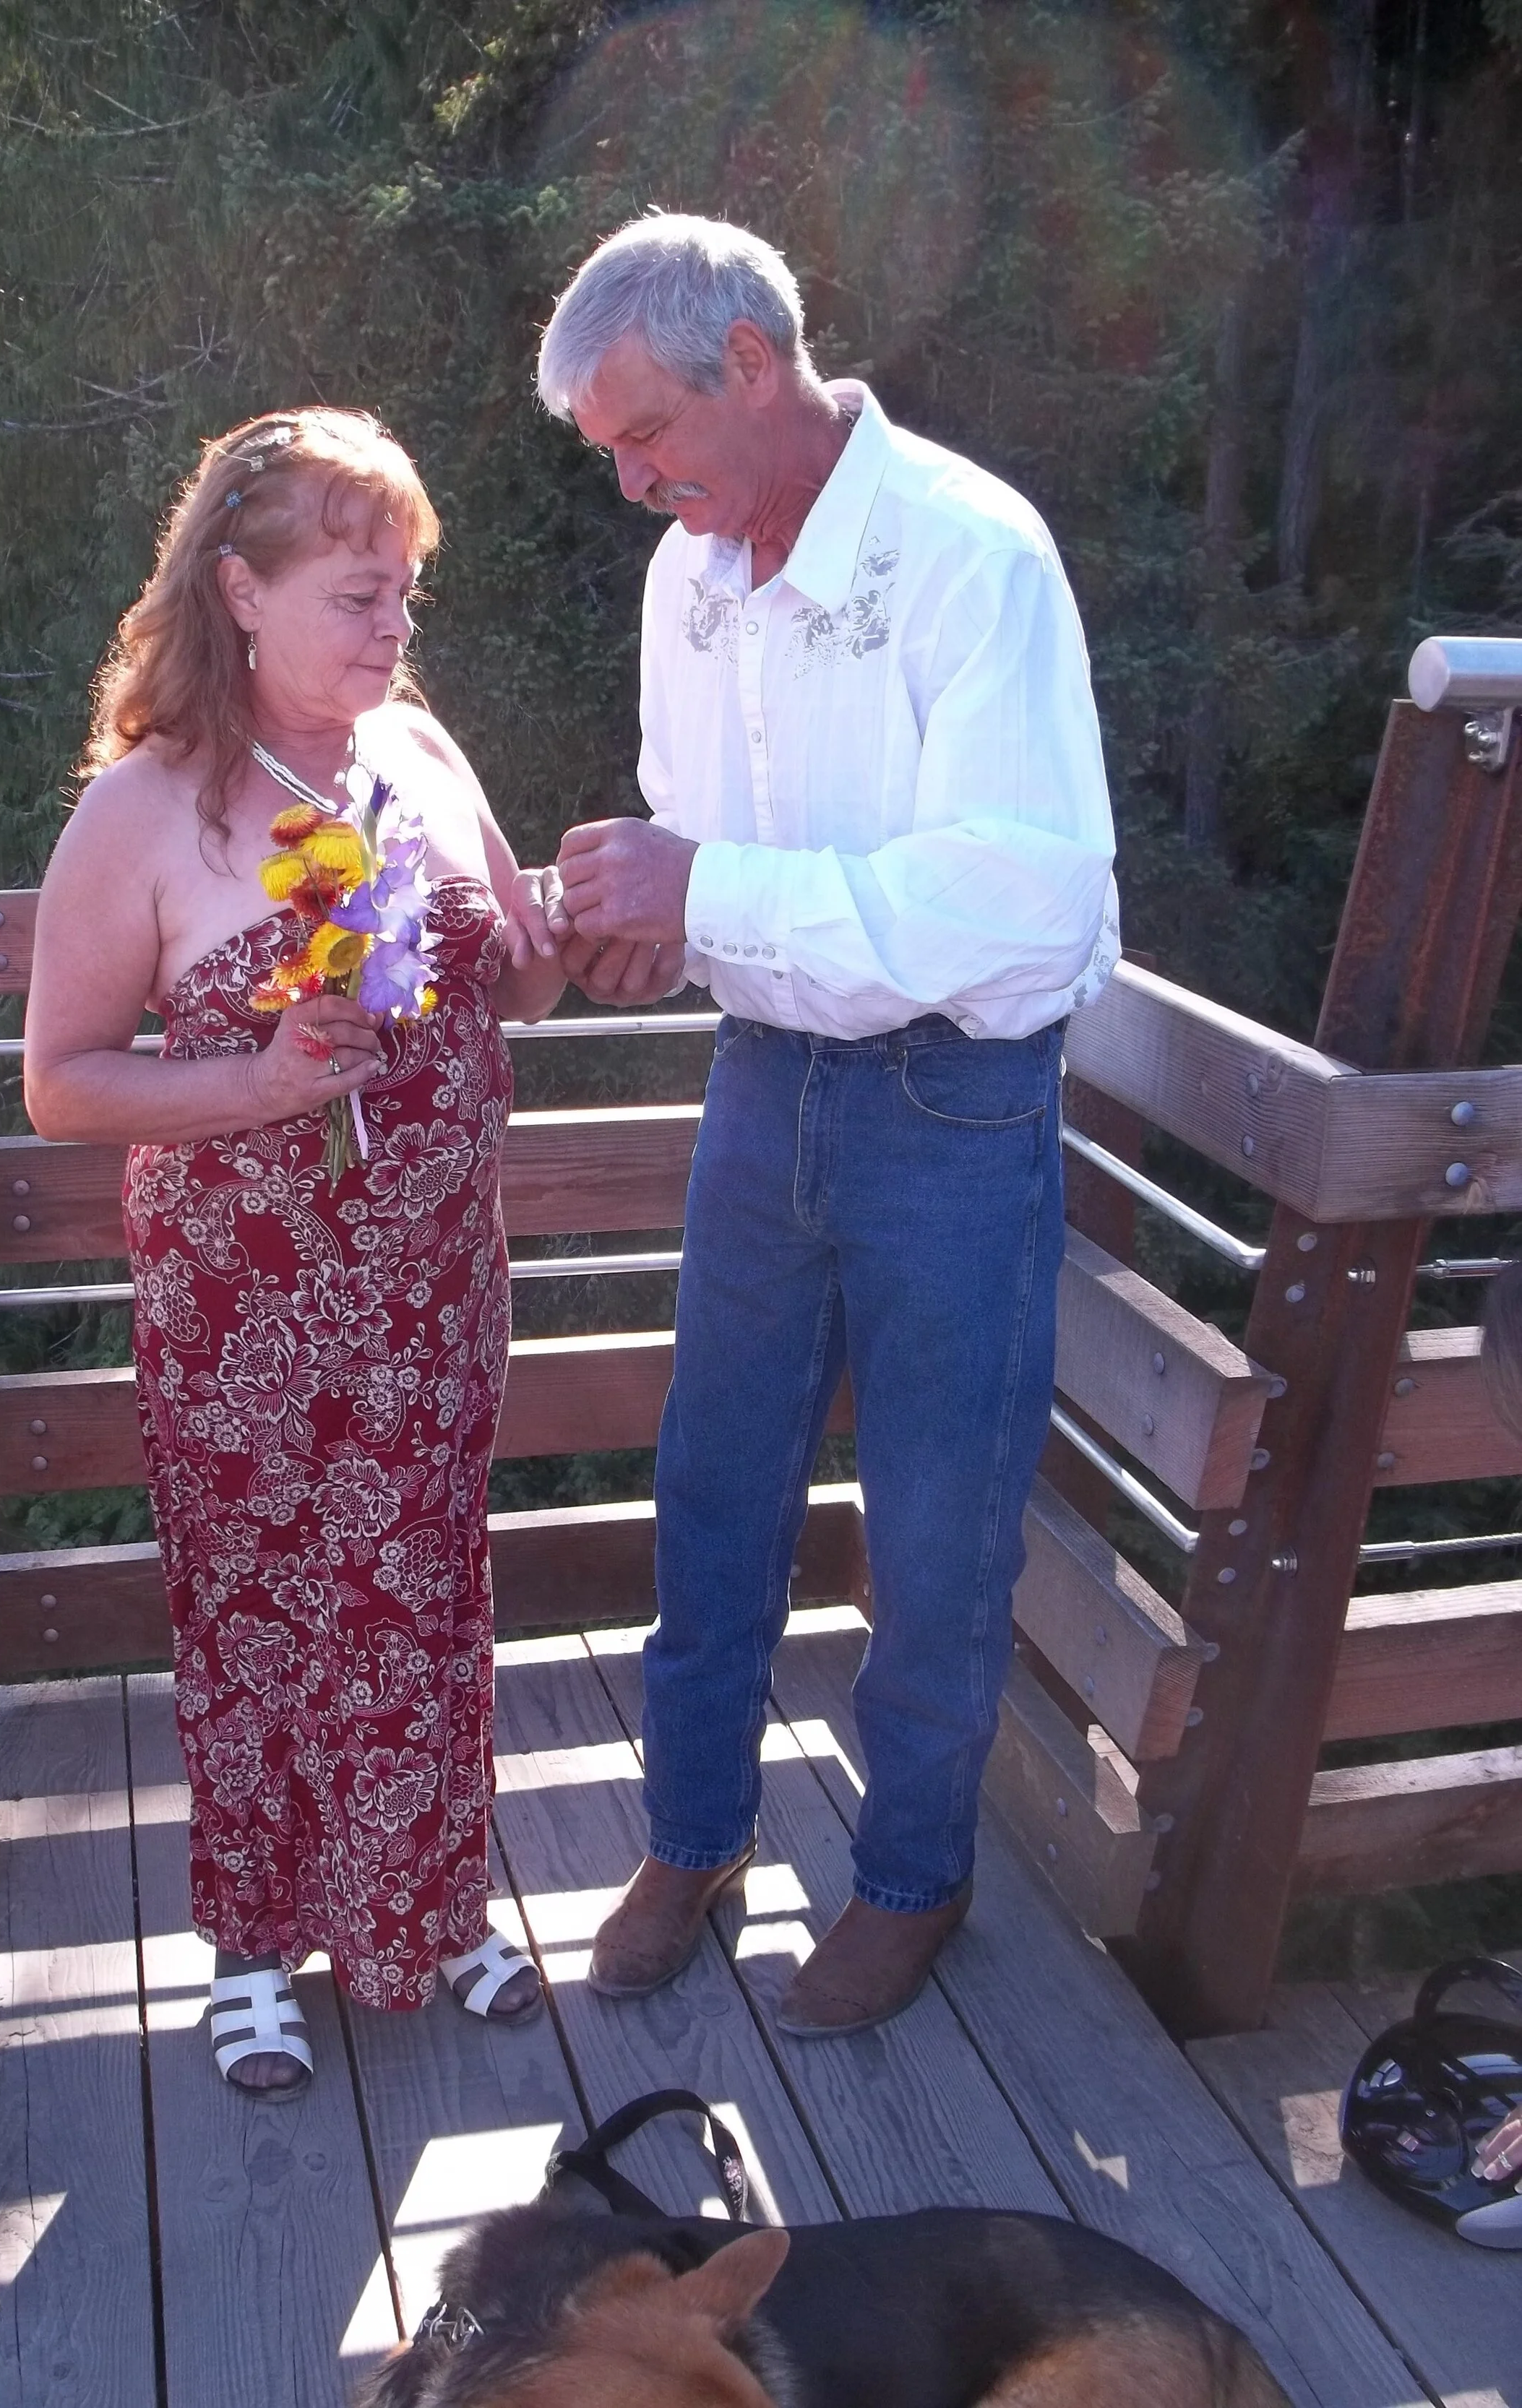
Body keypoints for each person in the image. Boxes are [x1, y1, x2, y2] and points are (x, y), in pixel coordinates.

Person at [534, 215, 1121, 2037]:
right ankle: (692, 1836)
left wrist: (704, 885)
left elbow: (1023, 901)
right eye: (609, 457)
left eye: (646, 440)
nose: (633, 487)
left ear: (752, 366)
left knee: (938, 1520)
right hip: (764, 1075)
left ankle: (910, 1876)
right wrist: (646, 926)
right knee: (713, 1482)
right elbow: (702, 845)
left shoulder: (967, 551)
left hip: (957, 1097)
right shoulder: (687, 575)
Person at [25, 408, 569, 2096]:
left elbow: (520, 982)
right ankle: (254, 1944)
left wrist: (568, 933)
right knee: (263, 1616)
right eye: (354, 591)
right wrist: (258, 1080)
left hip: (430, 1298)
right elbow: (58, 1085)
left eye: (403, 591)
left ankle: (435, 1905)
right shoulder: (144, 811)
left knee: (421, 1601)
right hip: (247, 1316)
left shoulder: (419, 751)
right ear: (241, 592)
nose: (390, 626)